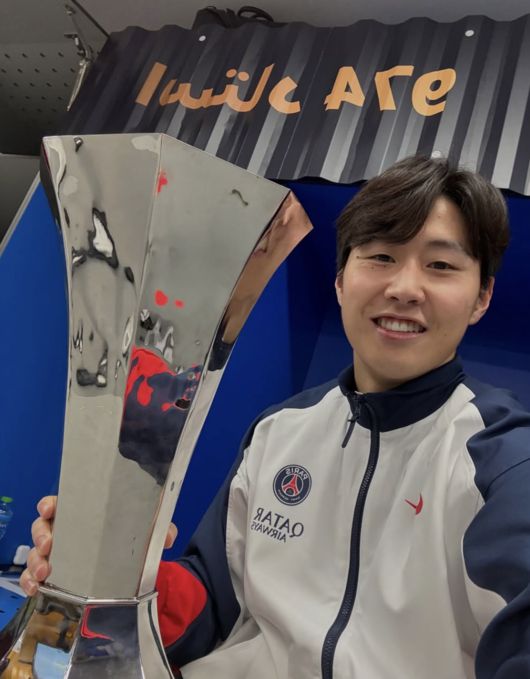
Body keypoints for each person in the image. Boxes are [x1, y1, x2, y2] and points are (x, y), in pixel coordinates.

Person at [22, 156, 530, 679]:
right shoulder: (280, 429)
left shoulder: (503, 458)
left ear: (481, 297)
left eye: (440, 265)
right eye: (380, 256)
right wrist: (113, 574)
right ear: (341, 282)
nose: (404, 287)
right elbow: (215, 601)